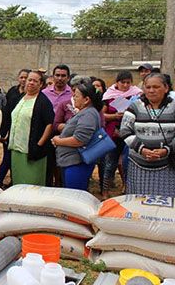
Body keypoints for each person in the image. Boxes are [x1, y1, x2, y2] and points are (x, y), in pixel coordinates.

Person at [121, 73, 175, 196]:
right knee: (140, 202)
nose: (151, 91)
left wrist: (166, 150)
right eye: (148, 87)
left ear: (166, 88)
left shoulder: (174, 107)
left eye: (156, 87)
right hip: (138, 163)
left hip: (167, 165)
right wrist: (142, 149)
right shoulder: (135, 106)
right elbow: (125, 130)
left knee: (165, 201)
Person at [51, 81, 103, 190]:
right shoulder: (85, 112)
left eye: (76, 96)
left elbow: (80, 140)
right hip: (72, 162)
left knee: (75, 195)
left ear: (86, 100)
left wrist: (58, 141)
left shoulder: (88, 114)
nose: (73, 98)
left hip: (77, 163)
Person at [8, 70, 54, 186]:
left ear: (41, 84)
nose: (31, 83)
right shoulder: (21, 98)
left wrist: (39, 143)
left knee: (31, 182)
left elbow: (49, 124)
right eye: (29, 80)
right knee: (18, 181)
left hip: (32, 150)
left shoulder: (43, 101)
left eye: (35, 81)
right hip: (16, 147)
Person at [102, 70, 143, 198]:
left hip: (130, 134)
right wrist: (115, 115)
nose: (125, 85)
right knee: (110, 164)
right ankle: (105, 191)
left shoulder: (137, 94)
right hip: (113, 133)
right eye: (122, 82)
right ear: (117, 83)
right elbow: (102, 116)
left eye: (128, 83)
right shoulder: (109, 96)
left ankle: (127, 188)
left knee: (127, 163)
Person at [0, 69, 29, 187]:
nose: (24, 80)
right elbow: (6, 112)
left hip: (21, 132)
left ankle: (13, 183)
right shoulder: (12, 91)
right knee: (7, 158)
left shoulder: (29, 95)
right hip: (9, 130)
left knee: (15, 160)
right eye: (22, 77)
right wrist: (2, 132)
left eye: (26, 77)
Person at [42, 64, 72, 187]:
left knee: (63, 161)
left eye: (63, 76)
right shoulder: (44, 93)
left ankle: (61, 184)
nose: (60, 78)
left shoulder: (73, 94)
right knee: (49, 161)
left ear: (68, 78)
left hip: (65, 132)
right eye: (57, 75)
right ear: (53, 77)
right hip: (47, 131)